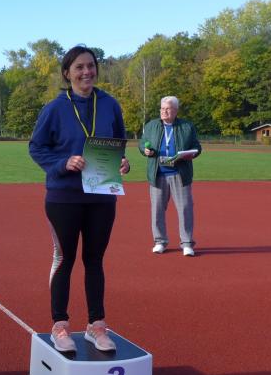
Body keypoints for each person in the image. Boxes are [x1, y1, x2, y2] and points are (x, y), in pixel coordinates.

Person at [28, 45, 130, 353]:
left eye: (90, 66)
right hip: (64, 196)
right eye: (79, 67)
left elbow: (119, 143)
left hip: (102, 196)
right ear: (67, 73)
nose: (87, 72)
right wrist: (63, 163)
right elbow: (36, 147)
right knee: (64, 258)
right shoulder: (54, 108)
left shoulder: (110, 105)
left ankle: (96, 325)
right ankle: (59, 325)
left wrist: (122, 162)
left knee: (95, 260)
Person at [139, 96, 202, 256]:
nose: (164, 112)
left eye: (168, 109)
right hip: (158, 173)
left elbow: (197, 146)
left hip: (180, 174)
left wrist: (192, 154)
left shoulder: (187, 126)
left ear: (175, 111)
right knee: (157, 210)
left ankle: (187, 243)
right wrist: (145, 150)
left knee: (185, 209)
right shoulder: (151, 125)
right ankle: (160, 241)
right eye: (162, 109)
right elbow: (142, 143)